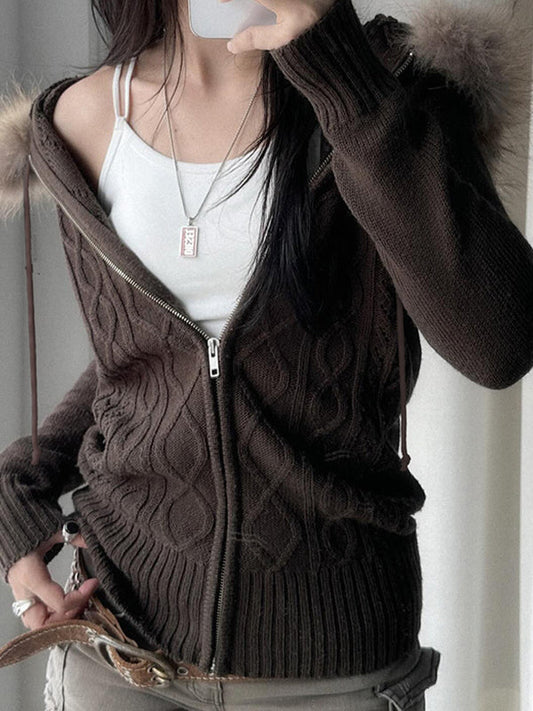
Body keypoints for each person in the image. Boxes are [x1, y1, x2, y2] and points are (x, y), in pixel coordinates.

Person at [0, 0, 531, 708]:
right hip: (120, 651)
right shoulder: (79, 118)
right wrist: (18, 486)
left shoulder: (390, 83)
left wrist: (341, 79)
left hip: (335, 663)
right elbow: (151, 361)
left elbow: (498, 344)